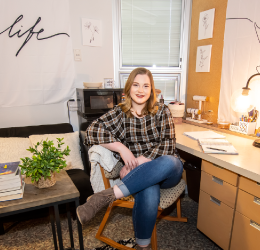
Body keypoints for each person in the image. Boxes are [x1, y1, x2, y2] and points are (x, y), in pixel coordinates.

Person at [77, 67, 183, 250]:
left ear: (151, 90)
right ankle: (143, 246)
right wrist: (121, 148)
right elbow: (91, 131)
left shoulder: (162, 110)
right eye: (136, 85)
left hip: (167, 172)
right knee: (149, 188)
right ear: (128, 88)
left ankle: (109, 195)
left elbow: (168, 146)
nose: (141, 90)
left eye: (146, 86)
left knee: (171, 160)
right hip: (141, 177)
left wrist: (138, 162)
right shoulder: (120, 113)